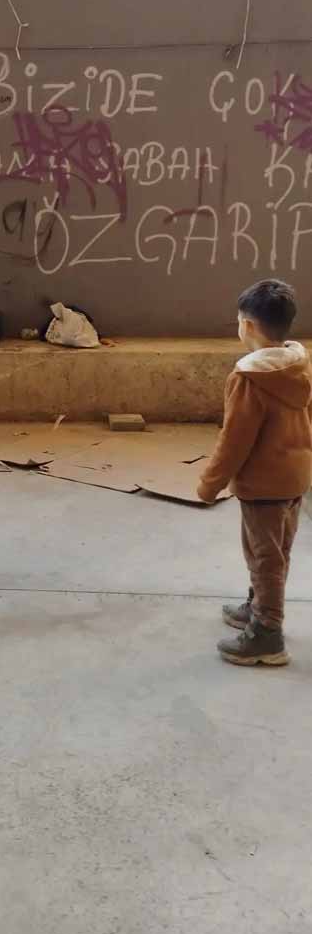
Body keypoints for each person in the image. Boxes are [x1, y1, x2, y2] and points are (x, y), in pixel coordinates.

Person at [198, 279, 312, 667]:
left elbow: (234, 441)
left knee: (264, 558)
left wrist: (209, 484)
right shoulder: (298, 365)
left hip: (263, 485)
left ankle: (267, 634)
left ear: (246, 325)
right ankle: (259, 605)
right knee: (277, 552)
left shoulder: (249, 379)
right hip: (295, 478)